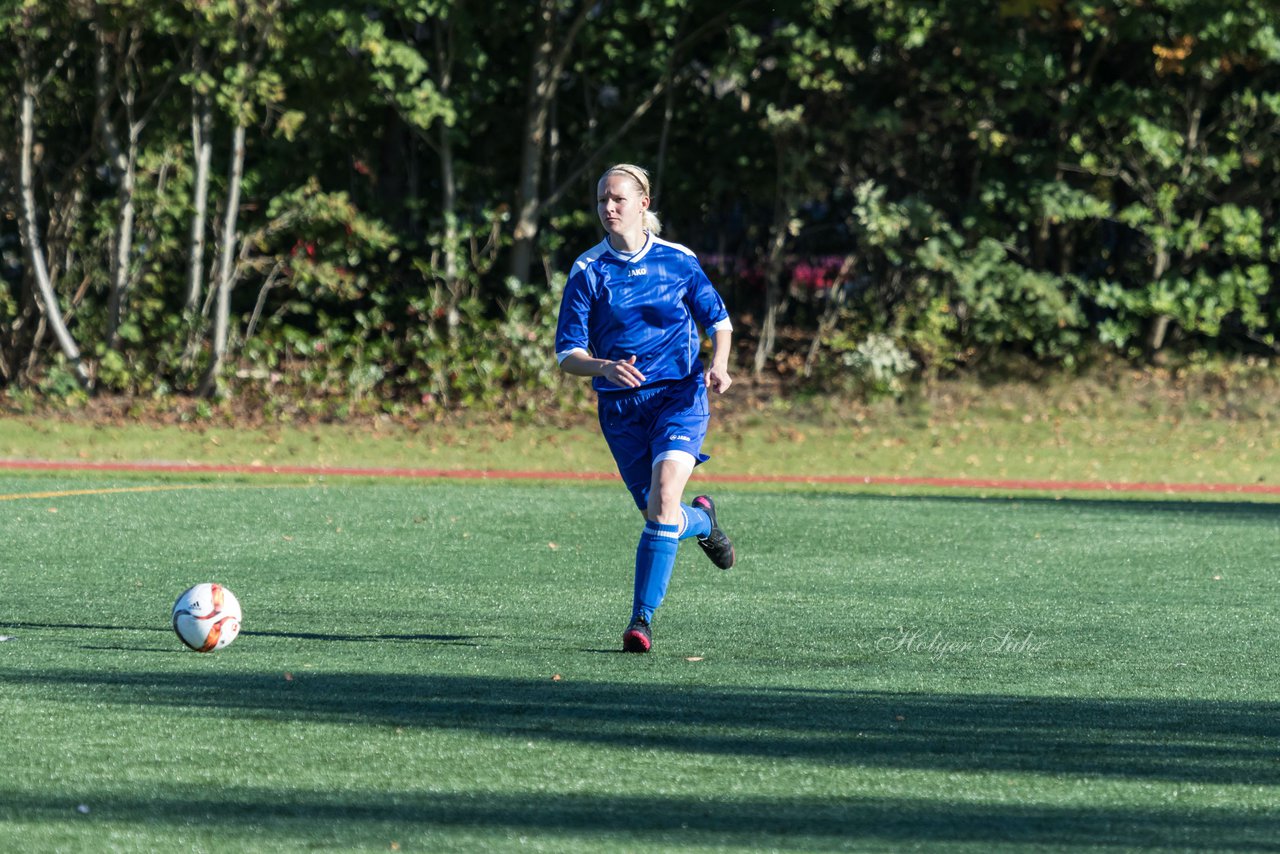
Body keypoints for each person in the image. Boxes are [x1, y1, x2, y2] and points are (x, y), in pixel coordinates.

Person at [555, 163, 736, 654]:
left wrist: (718, 365)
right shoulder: (588, 270)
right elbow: (566, 354)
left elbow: (718, 320)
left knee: (661, 498)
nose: (608, 208)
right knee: (663, 516)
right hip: (622, 411)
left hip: (679, 397)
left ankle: (641, 621)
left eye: (617, 199)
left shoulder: (678, 260)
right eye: (601, 201)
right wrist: (603, 367)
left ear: (643, 204)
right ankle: (703, 521)